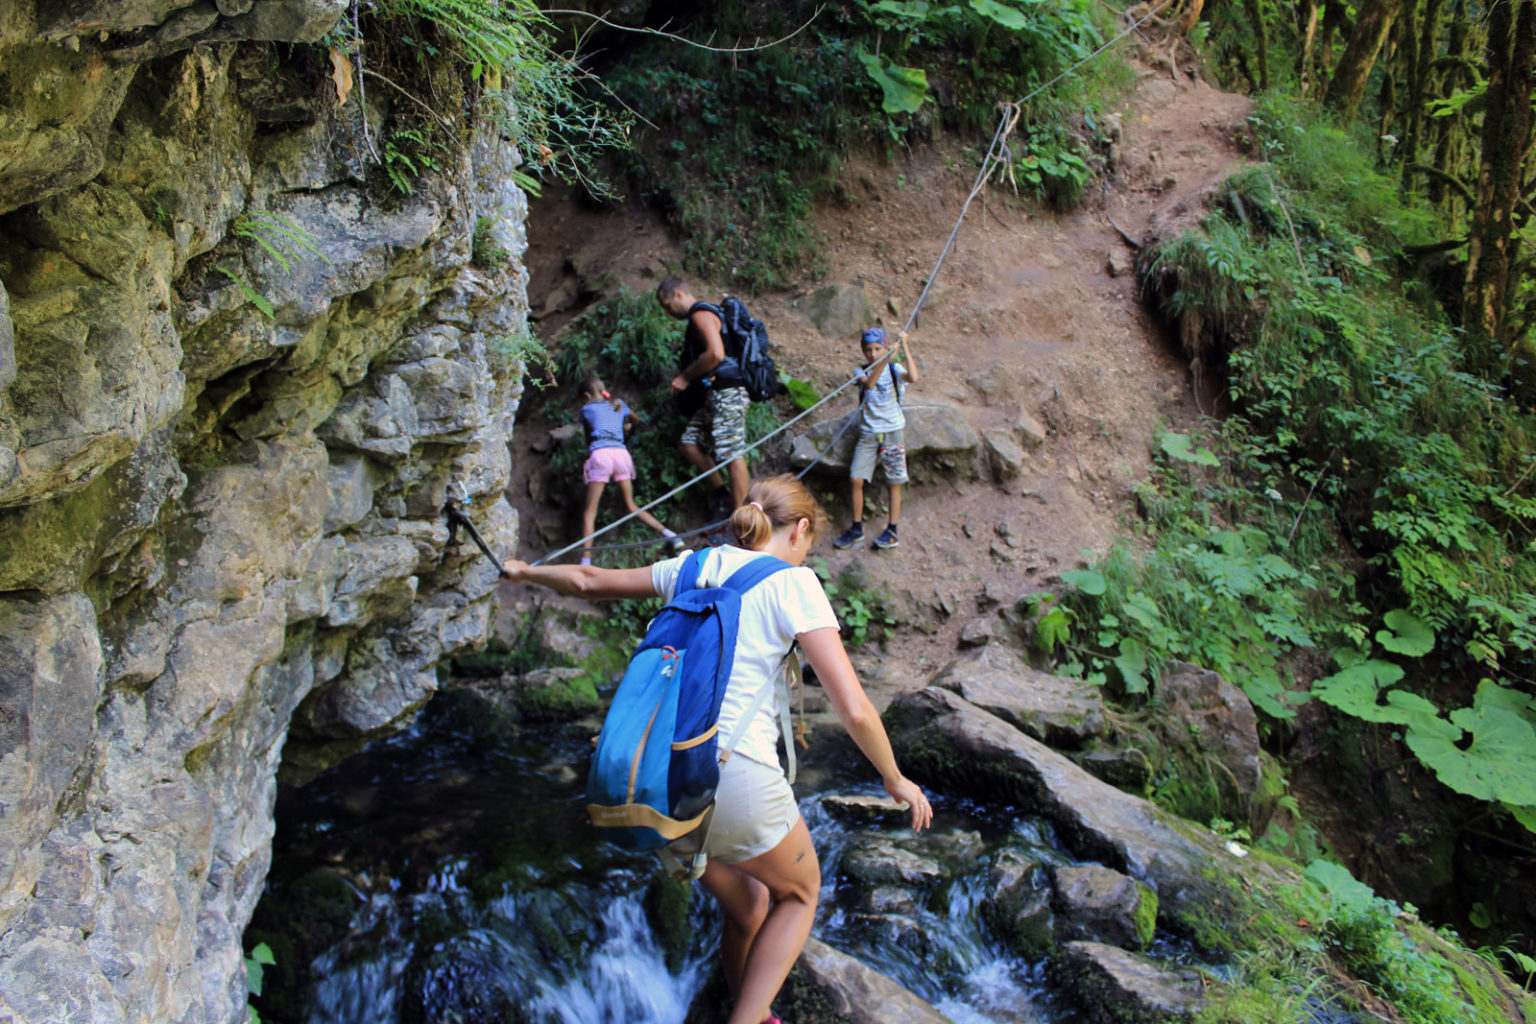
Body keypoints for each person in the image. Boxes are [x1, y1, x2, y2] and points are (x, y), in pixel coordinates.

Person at [503, 474, 933, 1024]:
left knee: (750, 903)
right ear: (800, 530)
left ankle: (750, 1006)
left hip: (662, 779)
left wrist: (526, 570)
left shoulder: (691, 566)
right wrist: (894, 778)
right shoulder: (793, 584)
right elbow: (852, 707)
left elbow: (588, 580)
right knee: (801, 893)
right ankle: (749, 1019)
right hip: (734, 774)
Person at [656, 276, 751, 516]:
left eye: (667, 305)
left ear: (679, 294)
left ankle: (742, 523)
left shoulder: (701, 314)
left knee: (732, 453)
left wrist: (685, 377)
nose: (668, 312)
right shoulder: (698, 317)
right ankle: (724, 497)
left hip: (728, 391)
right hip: (713, 394)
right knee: (689, 444)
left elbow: (716, 354)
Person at [575, 375, 683, 565]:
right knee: (631, 505)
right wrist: (627, 427)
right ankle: (671, 535)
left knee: (589, 512)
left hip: (601, 456)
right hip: (622, 456)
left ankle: (586, 561)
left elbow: (588, 439)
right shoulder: (619, 404)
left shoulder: (587, 409)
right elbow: (637, 421)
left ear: (586, 396)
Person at [833, 326, 921, 551]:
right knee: (856, 478)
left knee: (894, 480)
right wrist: (887, 354)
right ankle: (856, 528)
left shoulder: (894, 369)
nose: (873, 353)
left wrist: (905, 347)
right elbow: (869, 383)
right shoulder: (859, 370)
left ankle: (892, 529)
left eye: (877, 349)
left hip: (891, 431)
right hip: (868, 433)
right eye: (869, 350)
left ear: (884, 347)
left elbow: (914, 377)